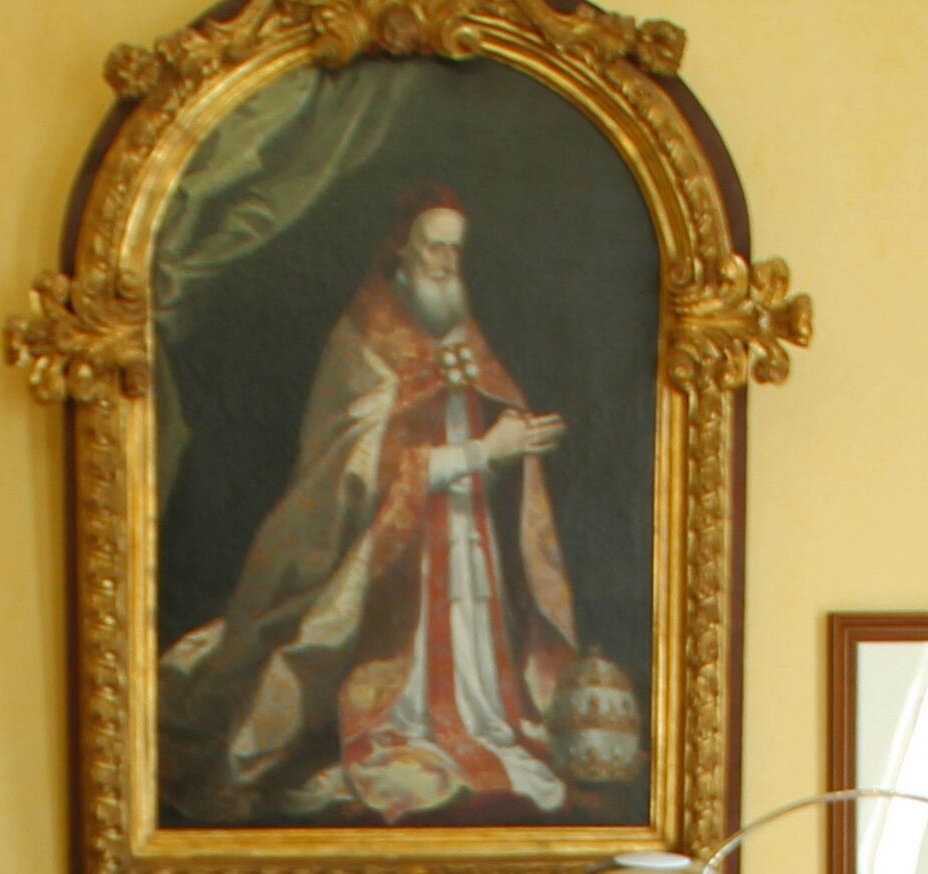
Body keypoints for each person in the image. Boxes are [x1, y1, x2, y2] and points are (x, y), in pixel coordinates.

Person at [156, 185, 614, 828]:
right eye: (434, 245)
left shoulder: (460, 326)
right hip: (387, 562)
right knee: (365, 668)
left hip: (463, 532)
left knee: (479, 663)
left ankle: (476, 719)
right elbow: (351, 468)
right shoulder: (363, 339)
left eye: (456, 249)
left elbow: (481, 417)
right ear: (401, 245)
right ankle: (399, 725)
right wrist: (482, 452)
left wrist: (517, 448)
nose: (445, 261)